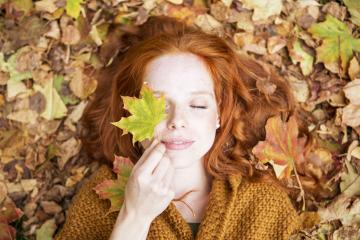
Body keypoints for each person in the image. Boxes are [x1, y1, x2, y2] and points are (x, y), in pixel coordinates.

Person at [54, 16, 315, 240]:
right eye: (160, 105)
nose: (177, 120)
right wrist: (134, 217)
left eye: (198, 105)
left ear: (219, 115)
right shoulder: (98, 199)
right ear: (131, 112)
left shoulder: (262, 204)